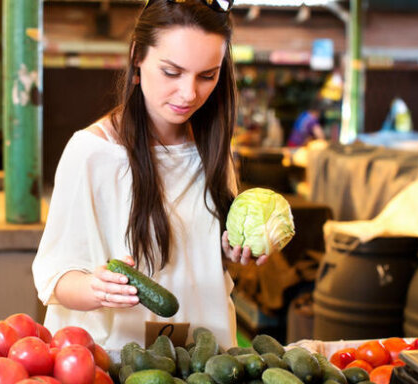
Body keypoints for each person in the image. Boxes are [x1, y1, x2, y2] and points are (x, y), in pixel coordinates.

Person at [32, 0, 267, 351]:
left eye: (207, 76)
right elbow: (54, 277)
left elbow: (205, 256)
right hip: (115, 363)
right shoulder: (92, 153)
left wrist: (236, 249)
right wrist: (96, 288)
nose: (189, 93)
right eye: (172, 72)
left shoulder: (213, 148)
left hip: (205, 359)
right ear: (137, 57)